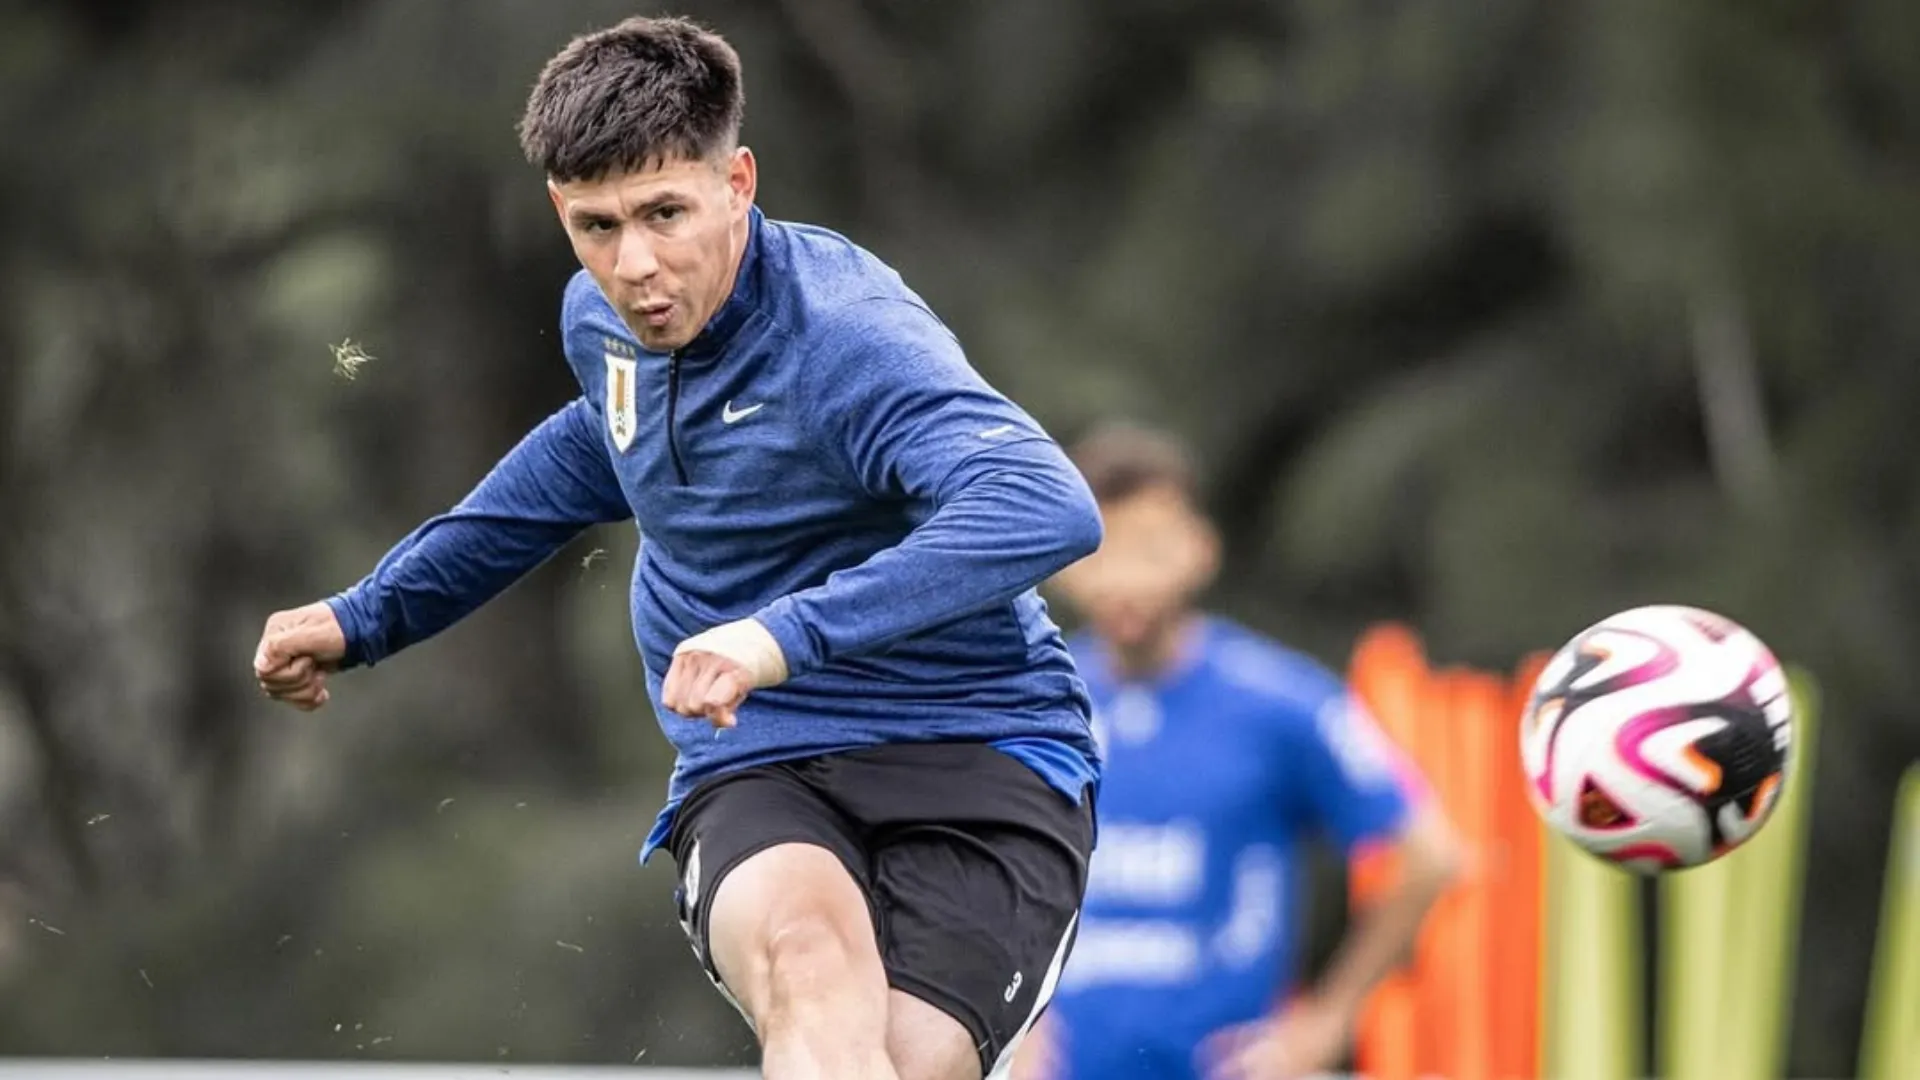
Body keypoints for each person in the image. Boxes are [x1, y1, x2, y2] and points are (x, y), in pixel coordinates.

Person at [250, 16, 1103, 1080]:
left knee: (908, 1064)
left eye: (665, 214)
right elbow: (593, 455)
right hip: (759, 753)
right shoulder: (601, 322)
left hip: (977, 753)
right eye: (596, 226)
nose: (636, 266)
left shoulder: (848, 343)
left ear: (737, 182)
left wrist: (778, 637)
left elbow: (1045, 506)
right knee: (806, 975)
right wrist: (371, 613)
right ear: (560, 210)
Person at [1011, 422, 1463, 1080]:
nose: (1124, 577)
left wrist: (1328, 1021)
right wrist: (1014, 1018)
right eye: (1100, 550)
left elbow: (1431, 857)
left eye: (1150, 547)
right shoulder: (1034, 702)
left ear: (1200, 549)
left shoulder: (1283, 700)